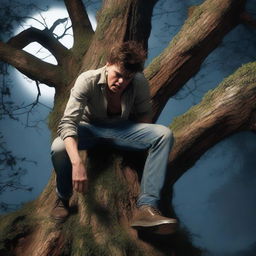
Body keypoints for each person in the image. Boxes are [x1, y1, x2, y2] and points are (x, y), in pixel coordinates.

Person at [50, 41, 177, 234]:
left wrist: (139, 143)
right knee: (59, 147)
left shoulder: (139, 82)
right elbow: (67, 123)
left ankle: (147, 208)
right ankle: (63, 197)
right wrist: (77, 163)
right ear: (108, 64)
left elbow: (144, 115)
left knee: (164, 135)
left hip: (121, 130)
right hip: (89, 129)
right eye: (118, 75)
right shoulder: (87, 79)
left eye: (127, 78)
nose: (121, 82)